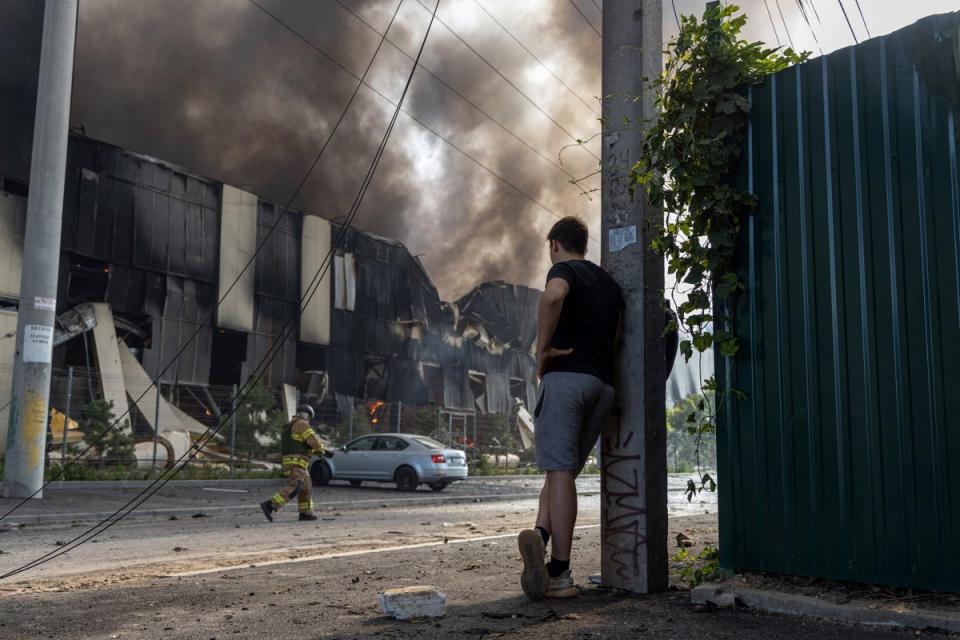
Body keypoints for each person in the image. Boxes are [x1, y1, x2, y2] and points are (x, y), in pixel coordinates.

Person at [518, 216, 623, 600]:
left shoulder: (563, 270)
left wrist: (541, 351)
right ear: (585, 243)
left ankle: (560, 574)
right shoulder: (610, 285)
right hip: (603, 386)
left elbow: (552, 296)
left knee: (557, 471)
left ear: (555, 245)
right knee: (562, 474)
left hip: (566, 380)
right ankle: (541, 536)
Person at [260, 404, 326, 522]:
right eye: (309, 417)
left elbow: (301, 443)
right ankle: (270, 505)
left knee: (306, 487)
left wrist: (314, 450)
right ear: (306, 415)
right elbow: (312, 440)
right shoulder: (302, 424)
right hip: (297, 462)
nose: (309, 420)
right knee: (295, 486)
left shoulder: (290, 425)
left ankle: (305, 513)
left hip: (294, 462)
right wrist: (321, 449)